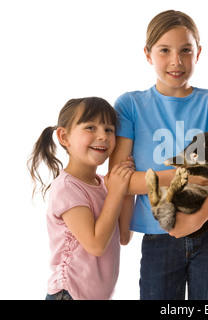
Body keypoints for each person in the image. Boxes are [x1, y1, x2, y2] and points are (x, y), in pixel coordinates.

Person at [109, 10, 208, 300]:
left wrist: (197, 219)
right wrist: (194, 173)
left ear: (198, 53)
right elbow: (120, 180)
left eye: (186, 50)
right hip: (160, 233)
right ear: (148, 54)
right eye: (164, 50)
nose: (176, 61)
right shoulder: (130, 105)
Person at [28, 97, 134, 300]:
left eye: (109, 129)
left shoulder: (104, 184)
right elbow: (95, 244)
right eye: (91, 127)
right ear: (64, 136)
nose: (102, 136)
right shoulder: (67, 188)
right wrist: (116, 192)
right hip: (69, 295)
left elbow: (124, 236)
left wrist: (126, 188)